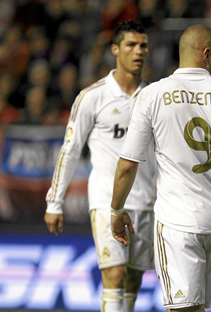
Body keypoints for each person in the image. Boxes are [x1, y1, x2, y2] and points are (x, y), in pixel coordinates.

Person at [110, 24, 211, 312]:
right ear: (207, 54)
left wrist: (117, 210)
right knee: (196, 308)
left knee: (182, 309)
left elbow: (128, 164)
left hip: (177, 221)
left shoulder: (153, 95)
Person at [44, 20, 156, 312]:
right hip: (106, 199)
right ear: (115, 49)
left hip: (146, 201)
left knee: (133, 278)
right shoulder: (93, 97)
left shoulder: (154, 97)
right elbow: (69, 150)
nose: (138, 51)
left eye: (143, 45)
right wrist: (54, 202)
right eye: (131, 45)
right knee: (114, 273)